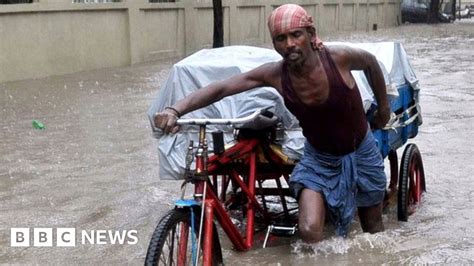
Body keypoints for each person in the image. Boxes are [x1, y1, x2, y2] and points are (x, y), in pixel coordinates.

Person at [154, 4, 390, 243]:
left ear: (311, 34)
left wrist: (384, 109)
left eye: (296, 35)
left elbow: (371, 63)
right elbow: (223, 88)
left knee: (372, 228)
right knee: (309, 231)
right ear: (274, 44)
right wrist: (175, 109)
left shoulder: (338, 58)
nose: (289, 44)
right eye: (280, 38)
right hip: (319, 159)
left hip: (360, 151)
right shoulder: (275, 74)